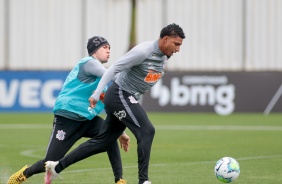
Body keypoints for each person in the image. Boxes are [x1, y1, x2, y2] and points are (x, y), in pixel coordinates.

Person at [45, 23, 185, 184]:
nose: (178, 49)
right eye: (176, 44)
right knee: (147, 130)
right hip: (119, 94)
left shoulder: (163, 56)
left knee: (103, 142)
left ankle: (57, 167)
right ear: (165, 39)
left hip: (125, 96)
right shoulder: (143, 51)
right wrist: (97, 93)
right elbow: (113, 69)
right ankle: (143, 180)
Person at [7, 36, 130, 184]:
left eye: (109, 48)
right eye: (105, 47)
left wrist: (120, 132)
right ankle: (25, 173)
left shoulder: (102, 83)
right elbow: (111, 75)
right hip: (67, 118)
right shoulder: (89, 63)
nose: (109, 51)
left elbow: (108, 104)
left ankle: (119, 180)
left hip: (87, 120)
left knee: (109, 136)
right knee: (50, 162)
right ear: (95, 50)